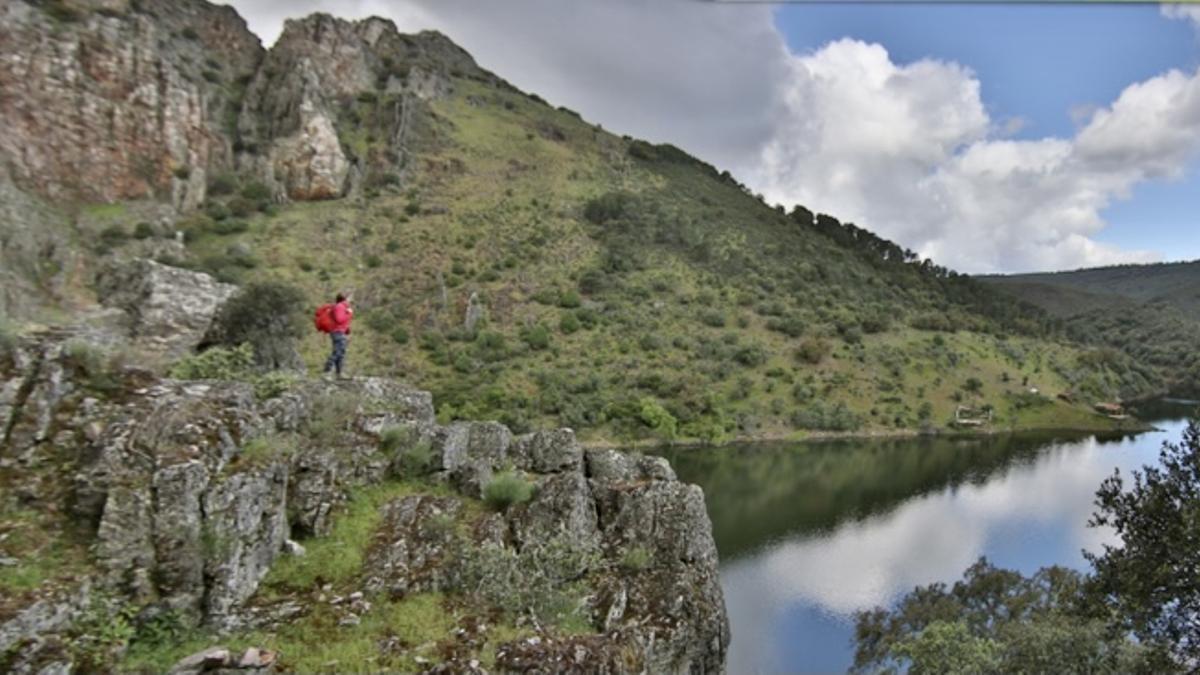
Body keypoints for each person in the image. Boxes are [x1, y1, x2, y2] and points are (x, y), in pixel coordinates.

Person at [323, 292, 353, 378]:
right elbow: (339, 319)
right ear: (345, 298)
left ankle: (339, 373)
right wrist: (349, 314)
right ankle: (327, 371)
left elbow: (341, 321)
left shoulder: (341, 307)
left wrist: (347, 330)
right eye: (349, 298)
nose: (350, 300)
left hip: (339, 332)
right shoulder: (340, 307)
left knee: (341, 352)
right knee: (338, 352)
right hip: (338, 332)